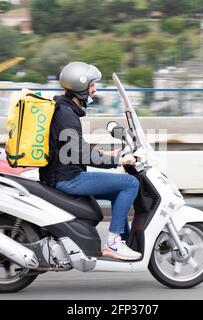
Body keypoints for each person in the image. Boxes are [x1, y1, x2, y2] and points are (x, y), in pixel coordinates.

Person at [39, 62, 142, 261]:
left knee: (116, 191)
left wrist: (111, 154)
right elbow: (80, 154)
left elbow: (77, 147)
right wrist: (117, 161)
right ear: (80, 86)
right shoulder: (66, 115)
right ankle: (114, 242)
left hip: (65, 173)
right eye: (92, 84)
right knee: (130, 183)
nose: (94, 89)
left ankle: (123, 241)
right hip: (68, 178)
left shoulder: (65, 111)